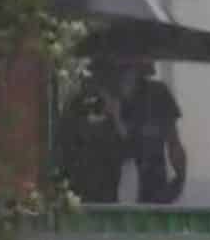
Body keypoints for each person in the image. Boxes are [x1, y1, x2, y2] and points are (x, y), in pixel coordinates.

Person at [56, 62, 127, 204]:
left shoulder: (113, 114)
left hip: (107, 200)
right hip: (78, 198)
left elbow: (128, 150)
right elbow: (63, 150)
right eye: (89, 81)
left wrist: (115, 115)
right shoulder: (73, 110)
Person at [117, 61, 187, 204]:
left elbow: (173, 141)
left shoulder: (158, 92)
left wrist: (180, 178)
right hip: (117, 189)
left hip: (154, 187)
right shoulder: (112, 97)